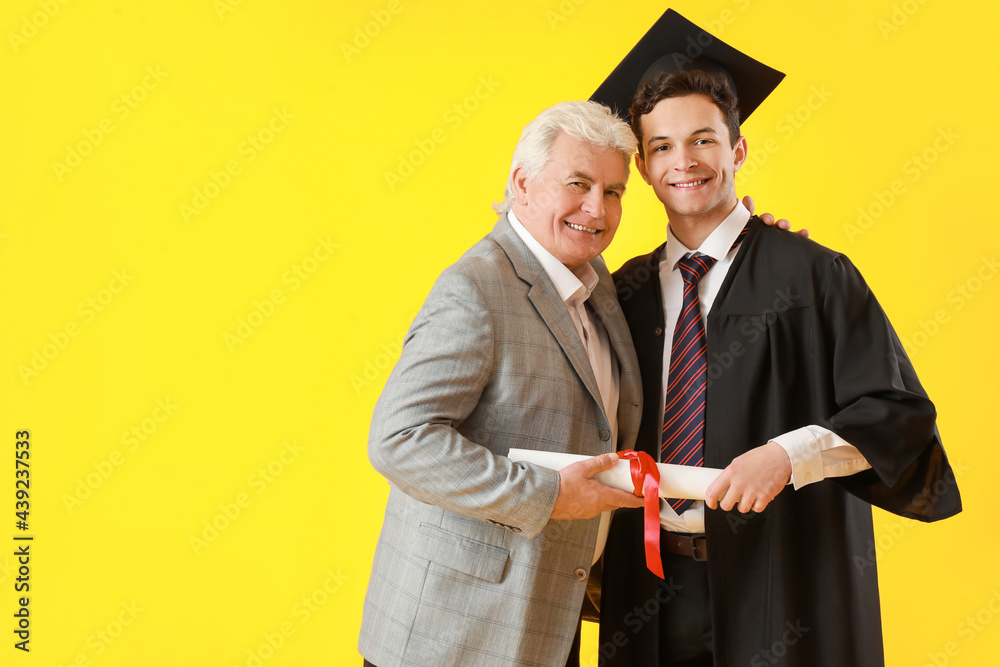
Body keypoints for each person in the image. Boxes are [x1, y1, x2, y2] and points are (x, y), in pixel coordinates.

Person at [594, 11, 962, 667]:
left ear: (736, 150)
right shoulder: (623, 291)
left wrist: (788, 457)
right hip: (648, 588)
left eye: (703, 140)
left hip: (780, 586)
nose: (685, 162)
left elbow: (899, 414)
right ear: (646, 169)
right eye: (662, 147)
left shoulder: (814, 275)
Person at [358, 100, 647, 667]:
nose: (597, 208)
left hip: (548, 620)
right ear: (522, 182)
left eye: (613, 192)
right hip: (455, 637)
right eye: (579, 183)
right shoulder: (476, 289)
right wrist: (549, 495)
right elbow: (399, 440)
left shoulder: (594, 281)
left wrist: (751, 243)